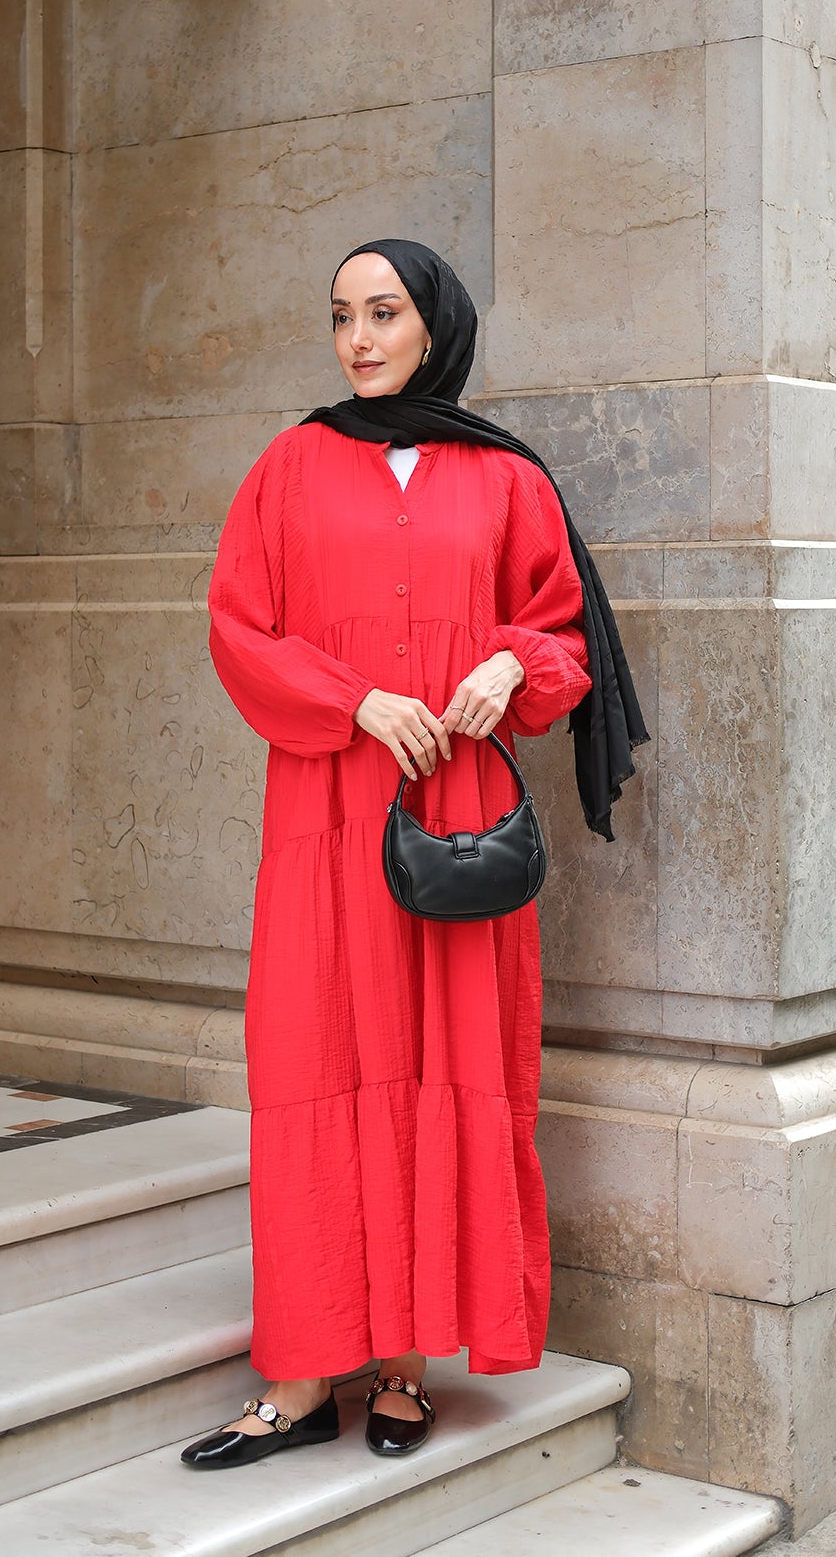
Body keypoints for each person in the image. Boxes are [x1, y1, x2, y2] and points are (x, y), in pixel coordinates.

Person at [181, 239, 645, 1470]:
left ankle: (404, 1367)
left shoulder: (505, 478)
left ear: (433, 325)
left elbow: (562, 641)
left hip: (455, 819)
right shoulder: (288, 467)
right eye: (342, 316)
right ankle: (298, 1379)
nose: (359, 339)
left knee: (444, 1064)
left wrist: (505, 663)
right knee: (314, 1064)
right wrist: (356, 701)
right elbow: (240, 630)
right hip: (327, 813)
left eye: (383, 313)